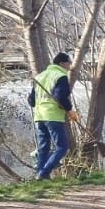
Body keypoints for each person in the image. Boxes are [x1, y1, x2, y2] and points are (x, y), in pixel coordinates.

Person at [28, 52, 80, 180]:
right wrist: (70, 111)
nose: (70, 65)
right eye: (69, 62)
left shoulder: (40, 76)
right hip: (53, 116)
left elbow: (31, 101)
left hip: (39, 116)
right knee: (62, 147)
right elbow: (60, 97)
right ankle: (43, 173)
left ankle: (41, 177)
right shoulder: (60, 75)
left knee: (43, 148)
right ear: (62, 63)